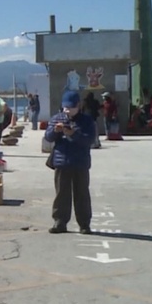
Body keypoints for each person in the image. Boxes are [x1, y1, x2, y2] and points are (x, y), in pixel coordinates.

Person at [44, 90, 95, 234]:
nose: (68, 111)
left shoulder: (86, 120)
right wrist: (55, 131)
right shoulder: (56, 118)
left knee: (82, 194)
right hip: (62, 161)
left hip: (80, 162)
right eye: (66, 107)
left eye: (71, 107)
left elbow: (89, 140)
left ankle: (84, 224)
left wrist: (73, 133)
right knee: (61, 193)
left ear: (78, 105)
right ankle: (59, 221)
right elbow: (48, 137)